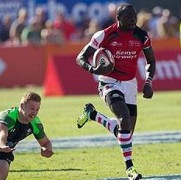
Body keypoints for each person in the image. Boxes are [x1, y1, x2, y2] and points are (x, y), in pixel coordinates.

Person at [76, 3, 156, 180]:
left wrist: (149, 82)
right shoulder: (105, 34)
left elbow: (151, 60)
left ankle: (93, 115)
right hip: (109, 82)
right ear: (118, 18)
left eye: (134, 17)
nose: (133, 21)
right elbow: (80, 57)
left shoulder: (141, 35)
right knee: (124, 119)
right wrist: (93, 69)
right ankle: (130, 168)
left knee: (125, 133)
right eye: (128, 18)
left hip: (130, 84)